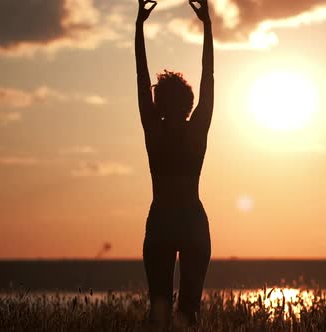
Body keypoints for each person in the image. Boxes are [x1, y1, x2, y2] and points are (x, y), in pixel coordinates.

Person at [135, 0, 214, 329]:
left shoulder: (154, 130)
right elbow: (208, 76)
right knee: (187, 314)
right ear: (187, 103)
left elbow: (140, 75)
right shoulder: (196, 129)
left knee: (160, 312)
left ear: (158, 101)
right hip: (191, 222)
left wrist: (138, 27)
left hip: (164, 222)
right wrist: (208, 26)